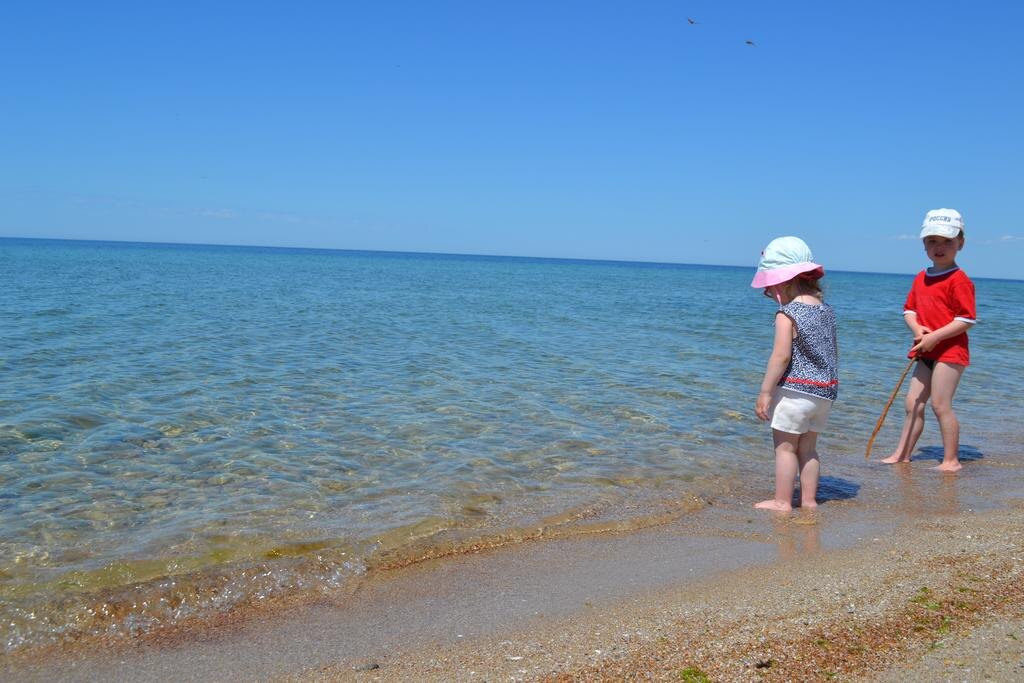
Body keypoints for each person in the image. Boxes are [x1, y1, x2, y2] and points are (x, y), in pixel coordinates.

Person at [882, 208, 976, 472]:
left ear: (961, 244)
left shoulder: (959, 281)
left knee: (940, 404)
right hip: (926, 350)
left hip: (950, 351)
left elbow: (966, 319)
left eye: (947, 241)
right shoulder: (921, 276)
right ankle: (902, 454)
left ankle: (951, 460)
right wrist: (917, 329)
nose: (939, 247)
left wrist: (935, 336)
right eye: (932, 241)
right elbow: (909, 309)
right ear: (924, 244)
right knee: (912, 403)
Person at [750, 237, 839, 511]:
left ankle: (782, 501)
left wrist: (765, 391)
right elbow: (832, 351)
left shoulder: (787, 314)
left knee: (785, 448)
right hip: (825, 393)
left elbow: (781, 356)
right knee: (809, 448)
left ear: (782, 281)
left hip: (795, 392)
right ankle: (810, 501)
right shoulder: (827, 311)